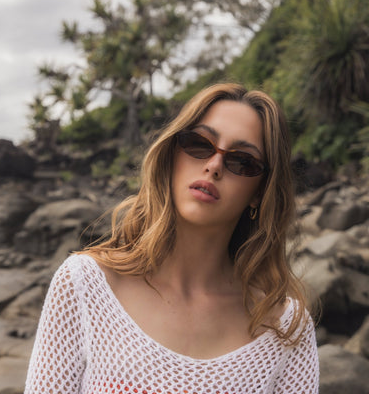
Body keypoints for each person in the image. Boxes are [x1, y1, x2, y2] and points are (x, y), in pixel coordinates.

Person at [24, 83, 319, 393]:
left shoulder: (286, 330)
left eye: (242, 161)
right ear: (172, 155)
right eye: (199, 143)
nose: (214, 165)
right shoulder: (86, 285)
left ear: (260, 191)